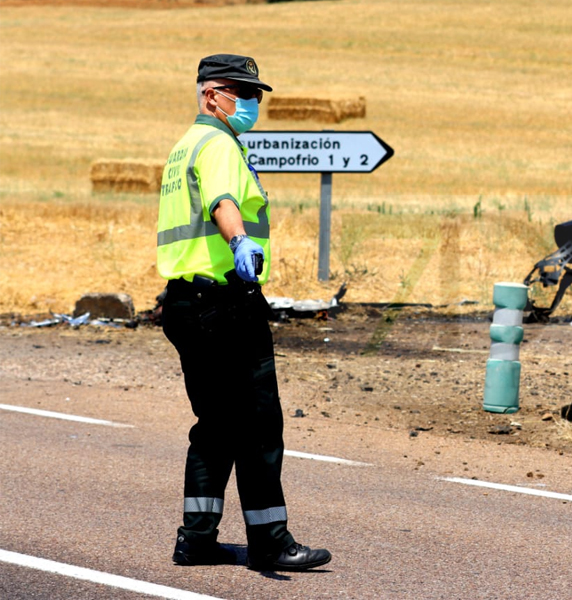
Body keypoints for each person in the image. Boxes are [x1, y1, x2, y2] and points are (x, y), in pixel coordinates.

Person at [156, 53, 331, 571]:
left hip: (186, 303)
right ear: (211, 95)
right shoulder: (217, 145)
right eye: (241, 92)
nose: (252, 103)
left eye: (256, 94)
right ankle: (270, 541)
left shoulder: (183, 146)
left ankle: (197, 539)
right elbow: (222, 200)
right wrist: (239, 241)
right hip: (224, 304)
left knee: (216, 426)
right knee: (256, 424)